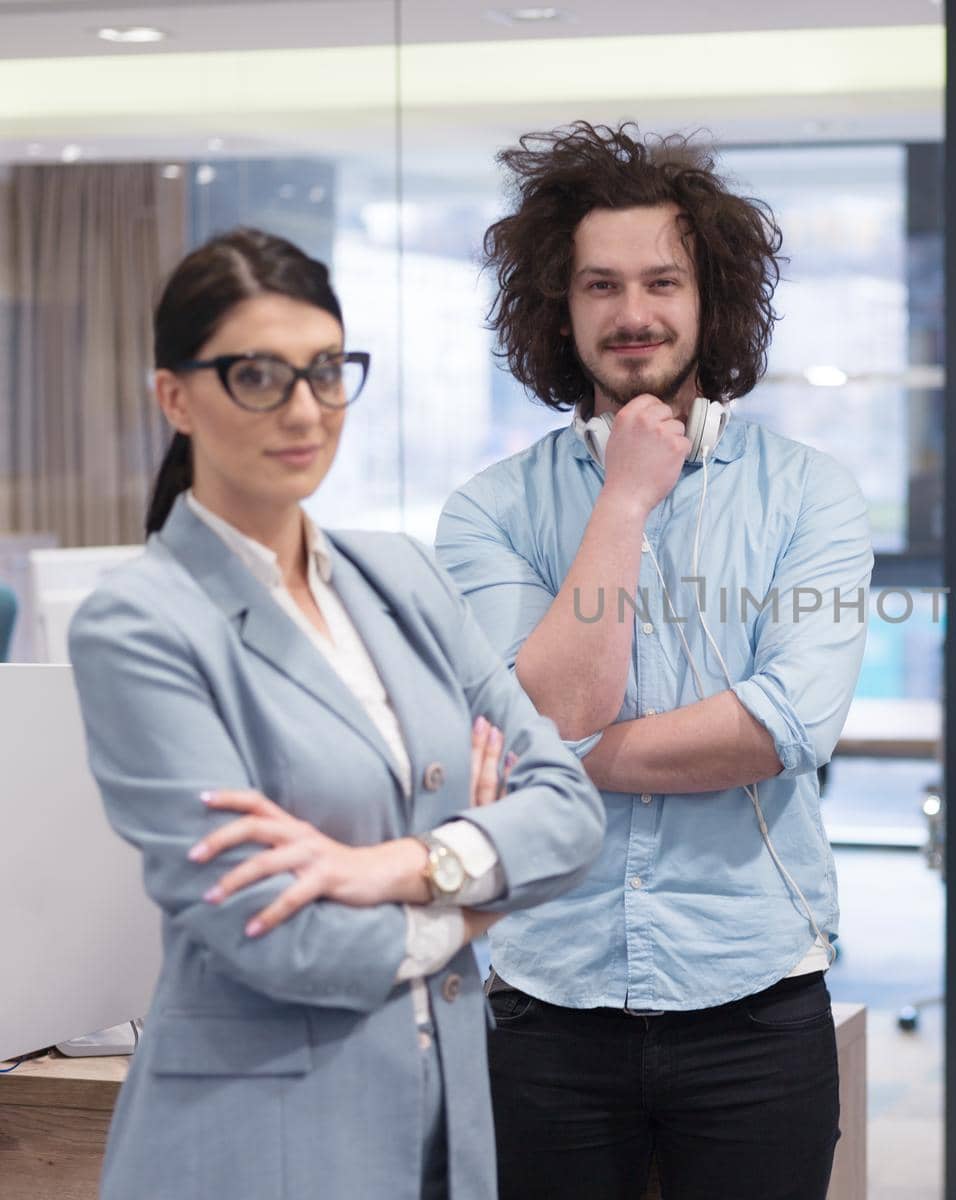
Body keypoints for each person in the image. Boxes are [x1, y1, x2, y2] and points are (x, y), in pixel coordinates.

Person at [68, 228, 604, 1200]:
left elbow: (568, 806)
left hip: (447, 1123)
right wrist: (479, 901)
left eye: (326, 371)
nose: (307, 410)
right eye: (259, 376)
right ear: (174, 397)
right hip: (257, 1142)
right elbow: (275, 934)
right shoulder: (140, 624)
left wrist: (406, 864)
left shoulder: (396, 573)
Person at [435, 124, 873, 1199]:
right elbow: (553, 705)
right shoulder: (487, 512)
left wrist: (551, 747)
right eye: (600, 285)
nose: (633, 314)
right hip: (548, 1001)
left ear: (708, 298)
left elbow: (782, 731)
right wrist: (626, 495)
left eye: (661, 282)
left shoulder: (809, 494)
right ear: (558, 306)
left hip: (754, 1000)